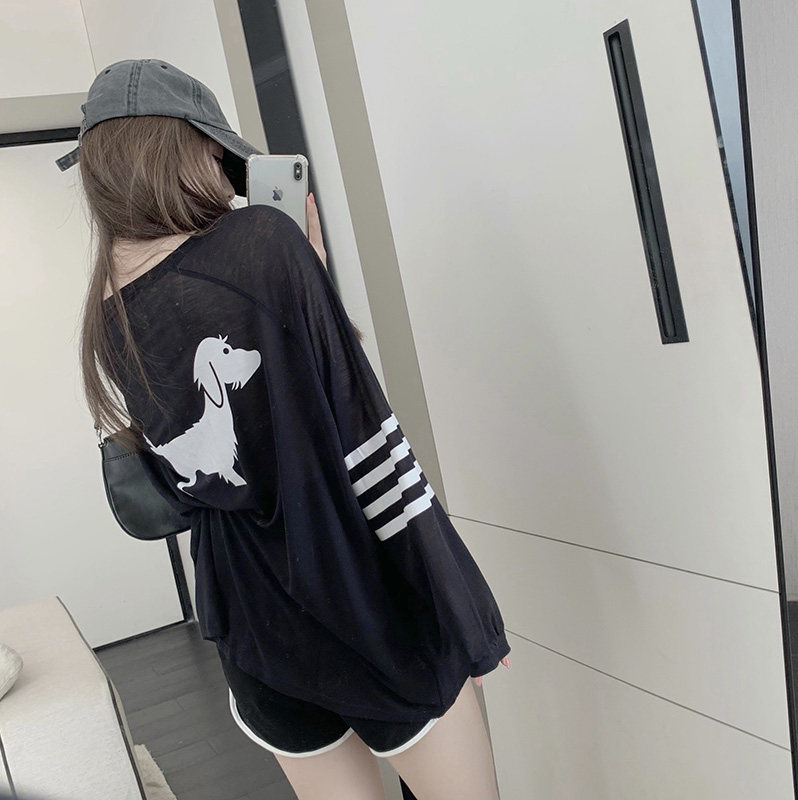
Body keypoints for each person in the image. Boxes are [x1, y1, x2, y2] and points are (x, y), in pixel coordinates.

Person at [56, 59, 511, 800]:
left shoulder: (105, 313)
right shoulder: (263, 241)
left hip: (250, 620)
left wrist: (306, 279)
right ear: (196, 148)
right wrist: (459, 601)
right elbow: (363, 439)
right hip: (362, 595)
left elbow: (208, 466)